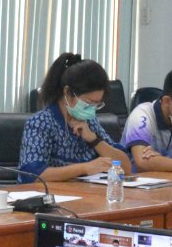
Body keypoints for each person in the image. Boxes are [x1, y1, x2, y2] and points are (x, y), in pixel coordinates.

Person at [19, 52, 126, 181]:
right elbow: (31, 175)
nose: (92, 108)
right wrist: (84, 168)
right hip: (47, 193)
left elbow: (125, 167)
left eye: (97, 104)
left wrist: (94, 140)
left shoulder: (91, 123)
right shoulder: (40, 123)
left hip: (85, 192)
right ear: (68, 92)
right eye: (89, 102)